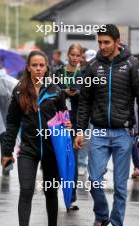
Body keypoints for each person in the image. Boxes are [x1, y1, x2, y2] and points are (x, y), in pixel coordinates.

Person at [74, 24, 139, 226]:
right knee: (94, 180)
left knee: (120, 186)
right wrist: (80, 130)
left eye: (106, 42)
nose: (102, 46)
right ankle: (101, 217)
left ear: (117, 42)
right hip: (97, 132)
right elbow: (84, 102)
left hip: (123, 133)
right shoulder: (92, 66)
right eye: (99, 42)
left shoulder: (131, 64)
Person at [1, 50, 71, 226]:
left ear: (47, 67)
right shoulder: (19, 91)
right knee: (26, 189)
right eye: (34, 65)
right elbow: (12, 123)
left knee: (51, 192)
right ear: (28, 67)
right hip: (28, 150)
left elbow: (64, 115)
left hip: (51, 151)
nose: (38, 69)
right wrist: (7, 152)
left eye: (42, 65)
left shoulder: (56, 91)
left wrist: (67, 124)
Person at [55, 44, 83, 211]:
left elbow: (87, 98)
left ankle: (71, 198)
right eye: (72, 54)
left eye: (77, 55)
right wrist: (63, 91)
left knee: (73, 159)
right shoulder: (58, 72)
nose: (74, 58)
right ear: (68, 55)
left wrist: (78, 93)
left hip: (74, 121)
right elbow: (51, 92)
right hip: (58, 120)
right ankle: (52, 193)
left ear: (81, 57)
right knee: (56, 158)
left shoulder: (83, 74)